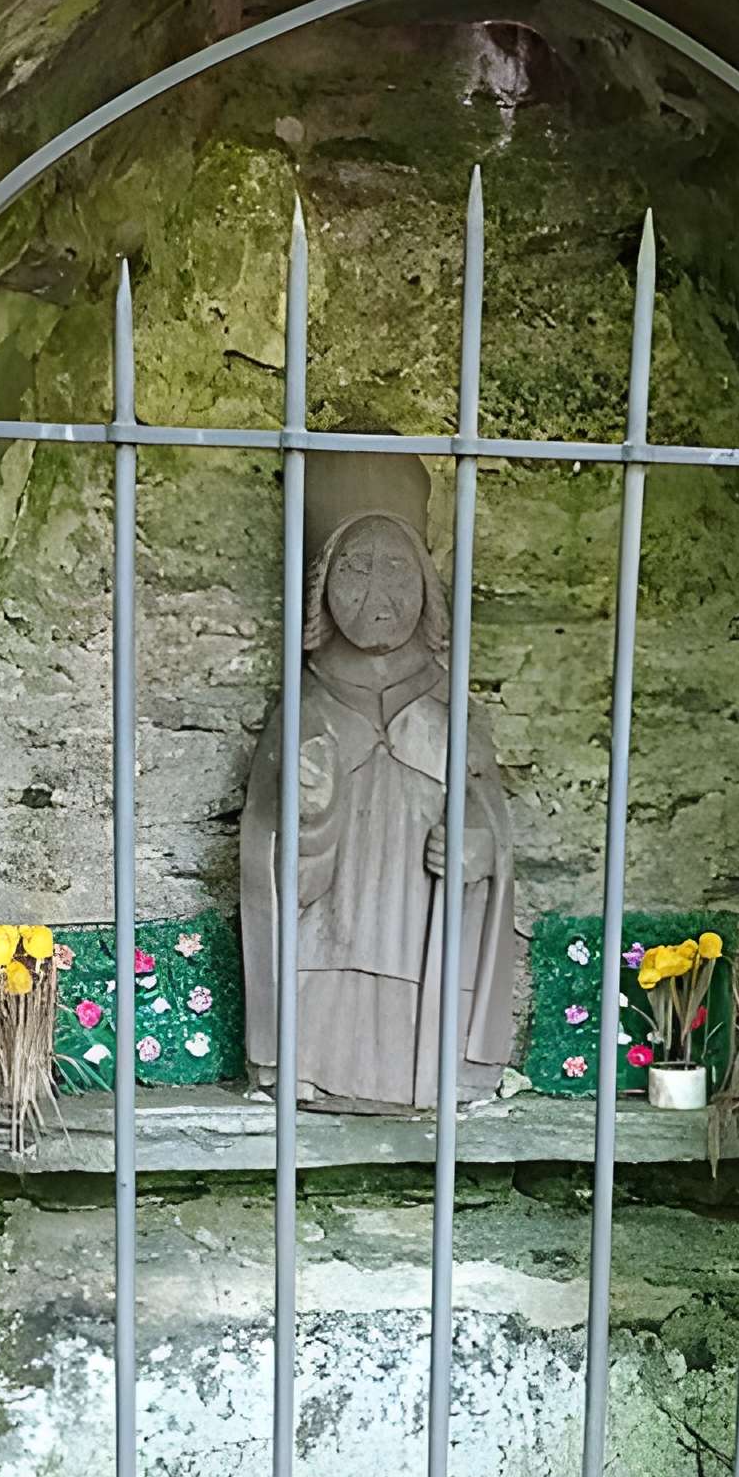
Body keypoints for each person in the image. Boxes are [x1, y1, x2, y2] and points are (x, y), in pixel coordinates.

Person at [240, 468, 515, 1113]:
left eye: (395, 568)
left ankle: (429, 1078)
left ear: (425, 583)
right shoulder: (305, 703)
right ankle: (313, 1070)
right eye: (354, 569)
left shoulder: (451, 705)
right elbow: (263, 850)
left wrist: (477, 852)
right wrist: (310, 817)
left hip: (423, 947)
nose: (376, 591)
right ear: (321, 589)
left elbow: (490, 824)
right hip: (328, 942)